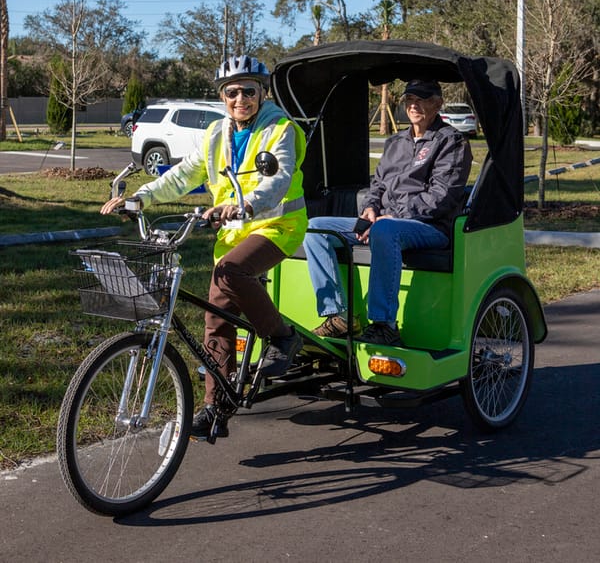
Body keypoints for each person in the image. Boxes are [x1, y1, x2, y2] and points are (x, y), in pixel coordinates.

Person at [101, 54, 307, 437]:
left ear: (262, 93)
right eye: (232, 92)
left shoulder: (280, 128)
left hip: (278, 225)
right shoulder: (217, 133)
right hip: (232, 235)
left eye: (249, 91)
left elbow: (277, 179)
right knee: (216, 318)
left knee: (231, 272)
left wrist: (245, 204)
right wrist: (142, 197)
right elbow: (182, 174)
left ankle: (282, 338)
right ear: (223, 96)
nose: (240, 99)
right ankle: (215, 409)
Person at [303, 78, 473, 345]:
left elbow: (441, 197)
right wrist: (370, 208)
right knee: (315, 227)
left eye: (422, 100)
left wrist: (392, 217)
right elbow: (379, 184)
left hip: (431, 227)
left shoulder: (451, 142)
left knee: (385, 229)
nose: (414, 105)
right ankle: (338, 317)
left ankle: (384, 325)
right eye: (409, 100)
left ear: (438, 104)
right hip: (386, 222)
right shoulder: (396, 142)